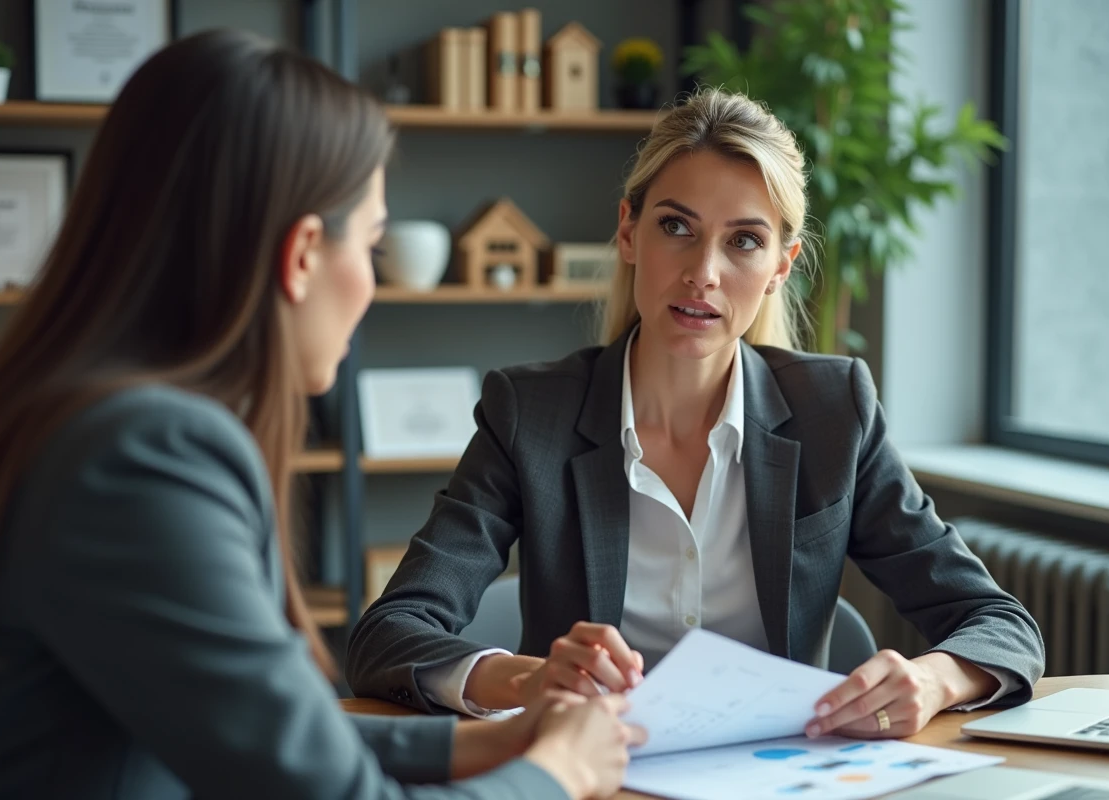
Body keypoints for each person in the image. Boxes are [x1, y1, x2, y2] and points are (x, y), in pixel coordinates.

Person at [0, 29, 644, 800]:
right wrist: (556, 773)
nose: (371, 283)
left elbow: (265, 732)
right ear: (300, 257)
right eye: (370, 245)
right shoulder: (143, 457)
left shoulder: (73, 414)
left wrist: (497, 742)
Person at [345, 87, 1046, 740]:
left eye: (744, 241)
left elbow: (998, 623)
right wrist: (529, 679)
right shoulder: (531, 415)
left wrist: (931, 678)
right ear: (628, 232)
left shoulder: (836, 412)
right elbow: (391, 632)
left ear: (781, 265)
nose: (704, 272)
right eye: (676, 226)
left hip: (775, 776)